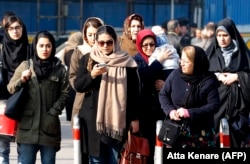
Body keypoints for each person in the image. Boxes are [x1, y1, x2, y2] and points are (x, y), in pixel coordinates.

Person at [74, 25, 140, 163]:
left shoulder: (126, 62)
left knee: (114, 159)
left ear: (115, 42)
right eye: (101, 42)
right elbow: (78, 86)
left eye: (109, 42)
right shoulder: (88, 59)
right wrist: (92, 75)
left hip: (117, 122)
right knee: (96, 160)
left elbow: (134, 94)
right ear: (96, 42)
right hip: (93, 121)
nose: (105, 46)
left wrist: (134, 118)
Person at [7, 30, 69, 164]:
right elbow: (11, 88)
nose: (44, 49)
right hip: (27, 129)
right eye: (41, 46)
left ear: (52, 47)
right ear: (35, 46)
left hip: (49, 128)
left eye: (48, 46)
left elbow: (65, 93)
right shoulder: (26, 65)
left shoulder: (59, 69)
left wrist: (53, 111)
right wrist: (22, 79)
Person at [159, 45, 220, 148]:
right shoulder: (175, 75)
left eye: (186, 62)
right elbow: (163, 94)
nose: (181, 64)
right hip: (176, 132)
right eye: (181, 60)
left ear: (196, 63)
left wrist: (189, 113)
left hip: (201, 133)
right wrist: (170, 111)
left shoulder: (208, 81)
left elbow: (214, 105)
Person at [206, 18, 250, 148]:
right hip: (215, 105)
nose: (221, 39)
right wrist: (217, 75)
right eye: (218, 35)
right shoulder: (211, 54)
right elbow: (201, 74)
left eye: (225, 35)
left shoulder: (243, 55)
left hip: (237, 108)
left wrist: (237, 76)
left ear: (232, 35)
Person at [134, 29, 172, 163]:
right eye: (145, 45)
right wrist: (159, 62)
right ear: (139, 45)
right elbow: (142, 77)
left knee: (165, 150)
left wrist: (165, 85)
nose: (149, 48)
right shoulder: (136, 61)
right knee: (147, 152)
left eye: (152, 44)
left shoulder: (165, 58)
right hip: (145, 114)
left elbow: (174, 78)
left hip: (162, 111)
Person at [68, 17, 104, 163]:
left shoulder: (107, 49)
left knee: (98, 150)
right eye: (90, 35)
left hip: (101, 105)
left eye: (96, 34)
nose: (93, 38)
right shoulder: (80, 51)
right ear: (84, 35)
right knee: (81, 148)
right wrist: (85, 84)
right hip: (82, 102)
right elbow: (72, 76)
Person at [0, 15, 29, 164]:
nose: (15, 31)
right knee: (2, 147)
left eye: (18, 28)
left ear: (23, 29)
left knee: (22, 147)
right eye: (11, 28)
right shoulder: (1, 51)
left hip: (24, 101)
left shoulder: (29, 50)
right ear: (6, 30)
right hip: (3, 102)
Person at [60, 31, 83, 121]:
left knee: (73, 122)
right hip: (77, 84)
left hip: (69, 85)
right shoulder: (77, 52)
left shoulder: (66, 51)